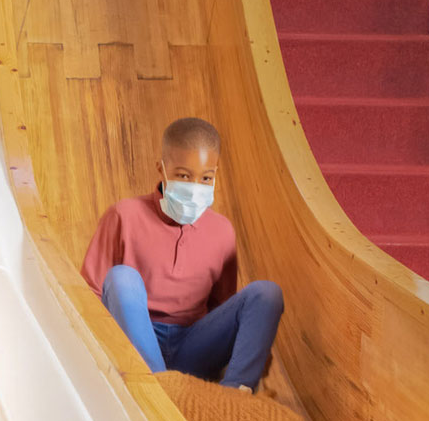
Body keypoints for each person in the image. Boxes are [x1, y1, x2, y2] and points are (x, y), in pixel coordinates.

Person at [81, 117, 283, 393]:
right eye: (184, 176)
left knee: (267, 294)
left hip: (194, 346)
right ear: (161, 170)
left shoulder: (222, 231)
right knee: (121, 277)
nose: (195, 186)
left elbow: (223, 307)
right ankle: (158, 389)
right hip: (137, 340)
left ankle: (234, 396)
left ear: (216, 175)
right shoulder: (124, 215)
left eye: (206, 178)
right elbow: (89, 294)